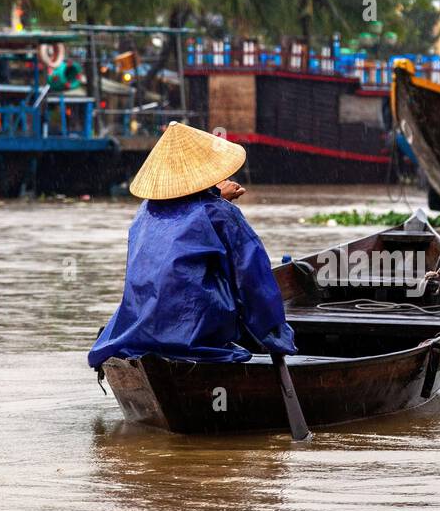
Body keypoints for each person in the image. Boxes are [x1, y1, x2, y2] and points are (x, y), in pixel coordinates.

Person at [88, 122, 296, 369]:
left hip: (141, 331)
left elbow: (189, 220)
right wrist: (276, 337)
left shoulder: (144, 214)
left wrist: (216, 200)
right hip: (197, 333)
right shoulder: (221, 214)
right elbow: (253, 281)